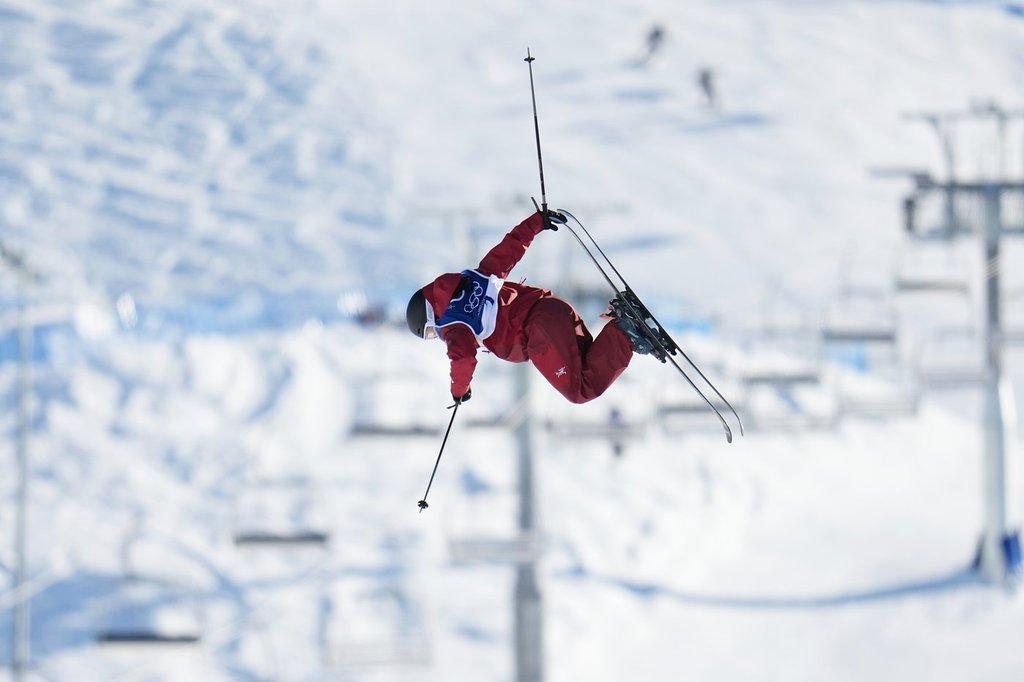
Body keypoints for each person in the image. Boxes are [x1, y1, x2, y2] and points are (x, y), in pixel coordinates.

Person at [406, 210, 653, 405]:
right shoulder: (477, 279)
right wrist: (537, 222)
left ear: (430, 314)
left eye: (431, 332)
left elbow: (462, 357)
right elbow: (508, 250)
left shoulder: (453, 324)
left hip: (539, 332)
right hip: (554, 309)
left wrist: (459, 390)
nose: (438, 335)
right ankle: (626, 328)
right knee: (588, 361)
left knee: (579, 390)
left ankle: (626, 332)